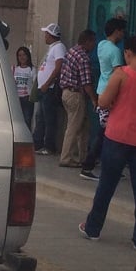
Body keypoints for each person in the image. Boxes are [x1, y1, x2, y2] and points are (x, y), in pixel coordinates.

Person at [79, 35, 136, 253]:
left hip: (118, 138)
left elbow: (103, 102)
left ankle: (93, 228)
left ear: (127, 53)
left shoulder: (121, 74)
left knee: (106, 185)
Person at [80, 18, 126, 180]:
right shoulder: (115, 51)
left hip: (102, 90)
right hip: (111, 93)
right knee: (105, 133)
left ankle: (108, 166)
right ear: (117, 31)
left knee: (106, 132)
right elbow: (118, 74)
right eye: (122, 31)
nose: (123, 34)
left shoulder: (101, 45)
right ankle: (89, 165)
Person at [58, 29, 98, 167]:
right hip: (76, 94)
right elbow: (86, 83)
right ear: (87, 41)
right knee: (74, 127)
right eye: (93, 42)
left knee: (83, 126)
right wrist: (94, 99)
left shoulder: (71, 51)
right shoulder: (83, 58)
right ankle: (66, 158)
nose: (94, 45)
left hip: (66, 92)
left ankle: (84, 157)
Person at [33, 23, 67, 155]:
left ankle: (49, 146)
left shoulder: (59, 47)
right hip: (43, 88)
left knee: (49, 118)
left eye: (46, 34)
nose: (45, 36)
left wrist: (47, 83)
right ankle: (37, 144)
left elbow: (58, 67)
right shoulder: (52, 48)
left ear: (51, 35)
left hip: (50, 88)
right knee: (40, 117)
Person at [13, 46, 36, 130]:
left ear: (28, 56)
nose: (22, 57)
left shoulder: (32, 69)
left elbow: (34, 84)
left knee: (27, 120)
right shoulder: (14, 69)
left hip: (27, 99)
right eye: (19, 55)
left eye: (24, 55)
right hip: (16, 99)